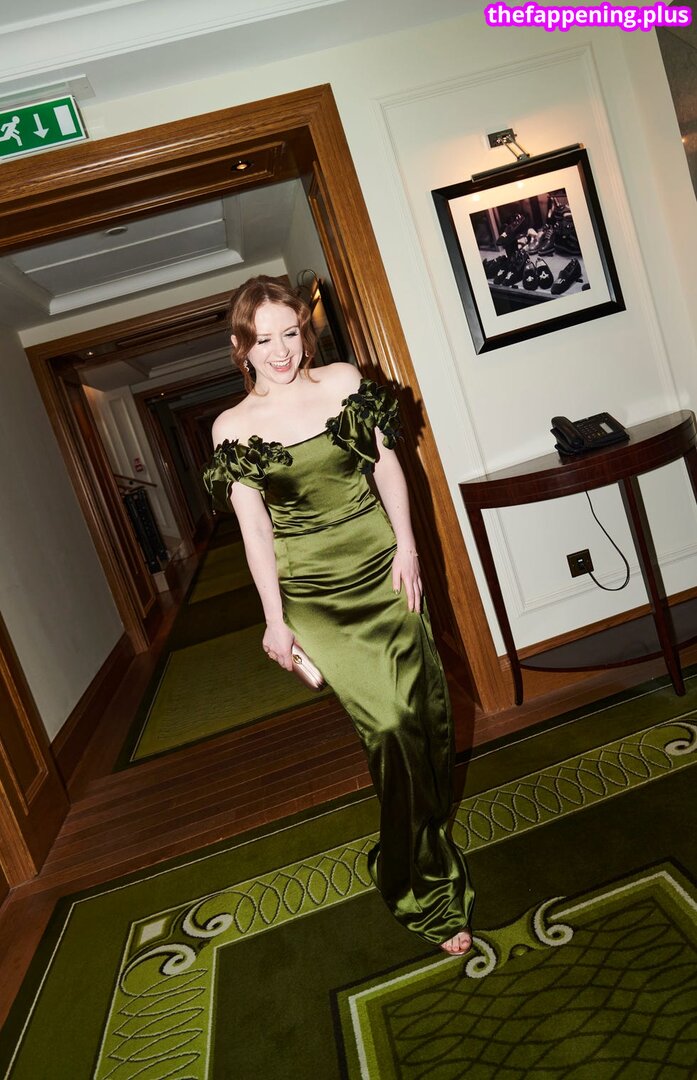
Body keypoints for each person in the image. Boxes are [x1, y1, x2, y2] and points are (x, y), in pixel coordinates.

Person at [203, 275, 473, 955]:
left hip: (384, 567)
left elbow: (387, 468)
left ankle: (413, 842)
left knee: (426, 717)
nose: (280, 351)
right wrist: (274, 620)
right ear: (241, 346)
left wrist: (408, 547)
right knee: (389, 729)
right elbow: (255, 530)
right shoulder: (232, 427)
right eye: (263, 339)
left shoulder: (345, 382)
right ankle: (422, 887)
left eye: (290, 333)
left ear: (305, 330)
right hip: (313, 591)